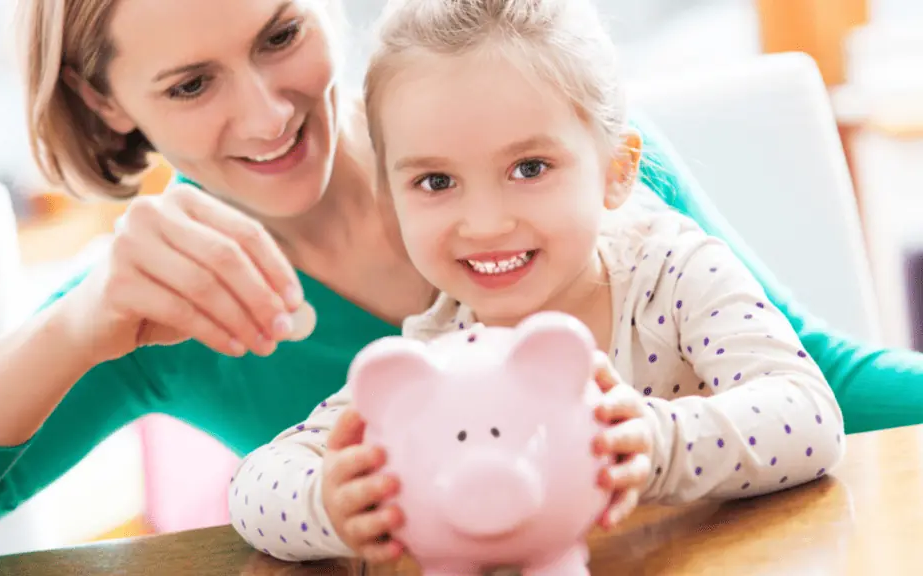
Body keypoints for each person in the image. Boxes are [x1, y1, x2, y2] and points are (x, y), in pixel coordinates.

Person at [0, 0, 916, 569]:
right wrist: (73, 329)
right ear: (105, 100)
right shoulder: (159, 305)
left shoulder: (560, 165)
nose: (265, 117)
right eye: (190, 85)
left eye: (279, 35)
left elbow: (822, 387)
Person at [226, 0, 845, 564]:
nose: (487, 222)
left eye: (530, 167)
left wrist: (656, 444)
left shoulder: (675, 273)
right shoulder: (433, 356)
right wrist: (332, 505)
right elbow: (254, 484)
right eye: (436, 183)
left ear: (615, 171)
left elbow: (809, 416)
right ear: (391, 201)